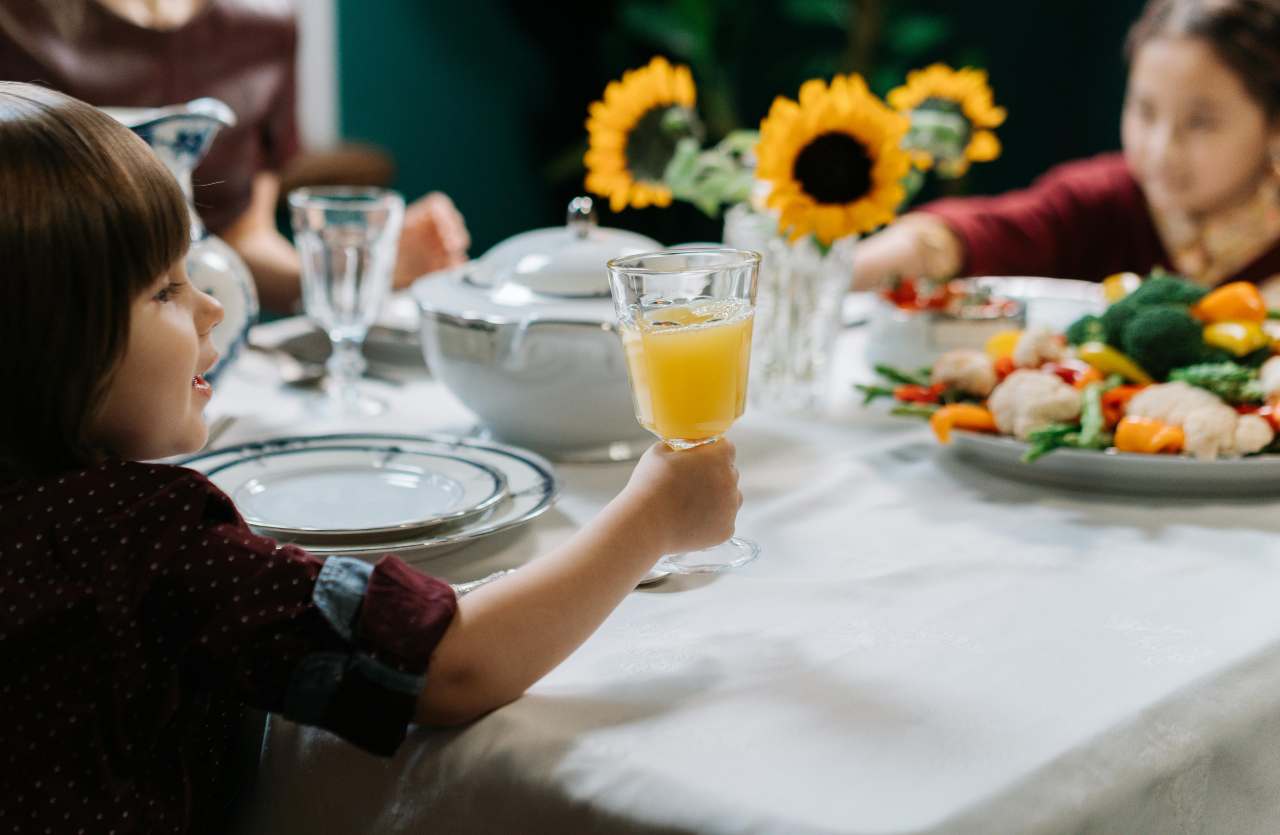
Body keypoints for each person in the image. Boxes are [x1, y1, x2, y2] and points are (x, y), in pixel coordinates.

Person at [0, 82, 742, 835]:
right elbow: (451, 667)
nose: (211, 306)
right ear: (46, 344)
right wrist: (652, 516)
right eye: (165, 290)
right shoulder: (145, 539)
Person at [0, 0, 470, 312]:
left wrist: (360, 270)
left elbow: (242, 239)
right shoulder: (15, 21)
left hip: (204, 361)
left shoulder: (265, 24)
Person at [853, 0, 1280, 301]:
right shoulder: (1102, 201)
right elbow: (983, 233)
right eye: (1144, 111)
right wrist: (860, 269)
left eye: (1201, 123)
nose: (1161, 149)